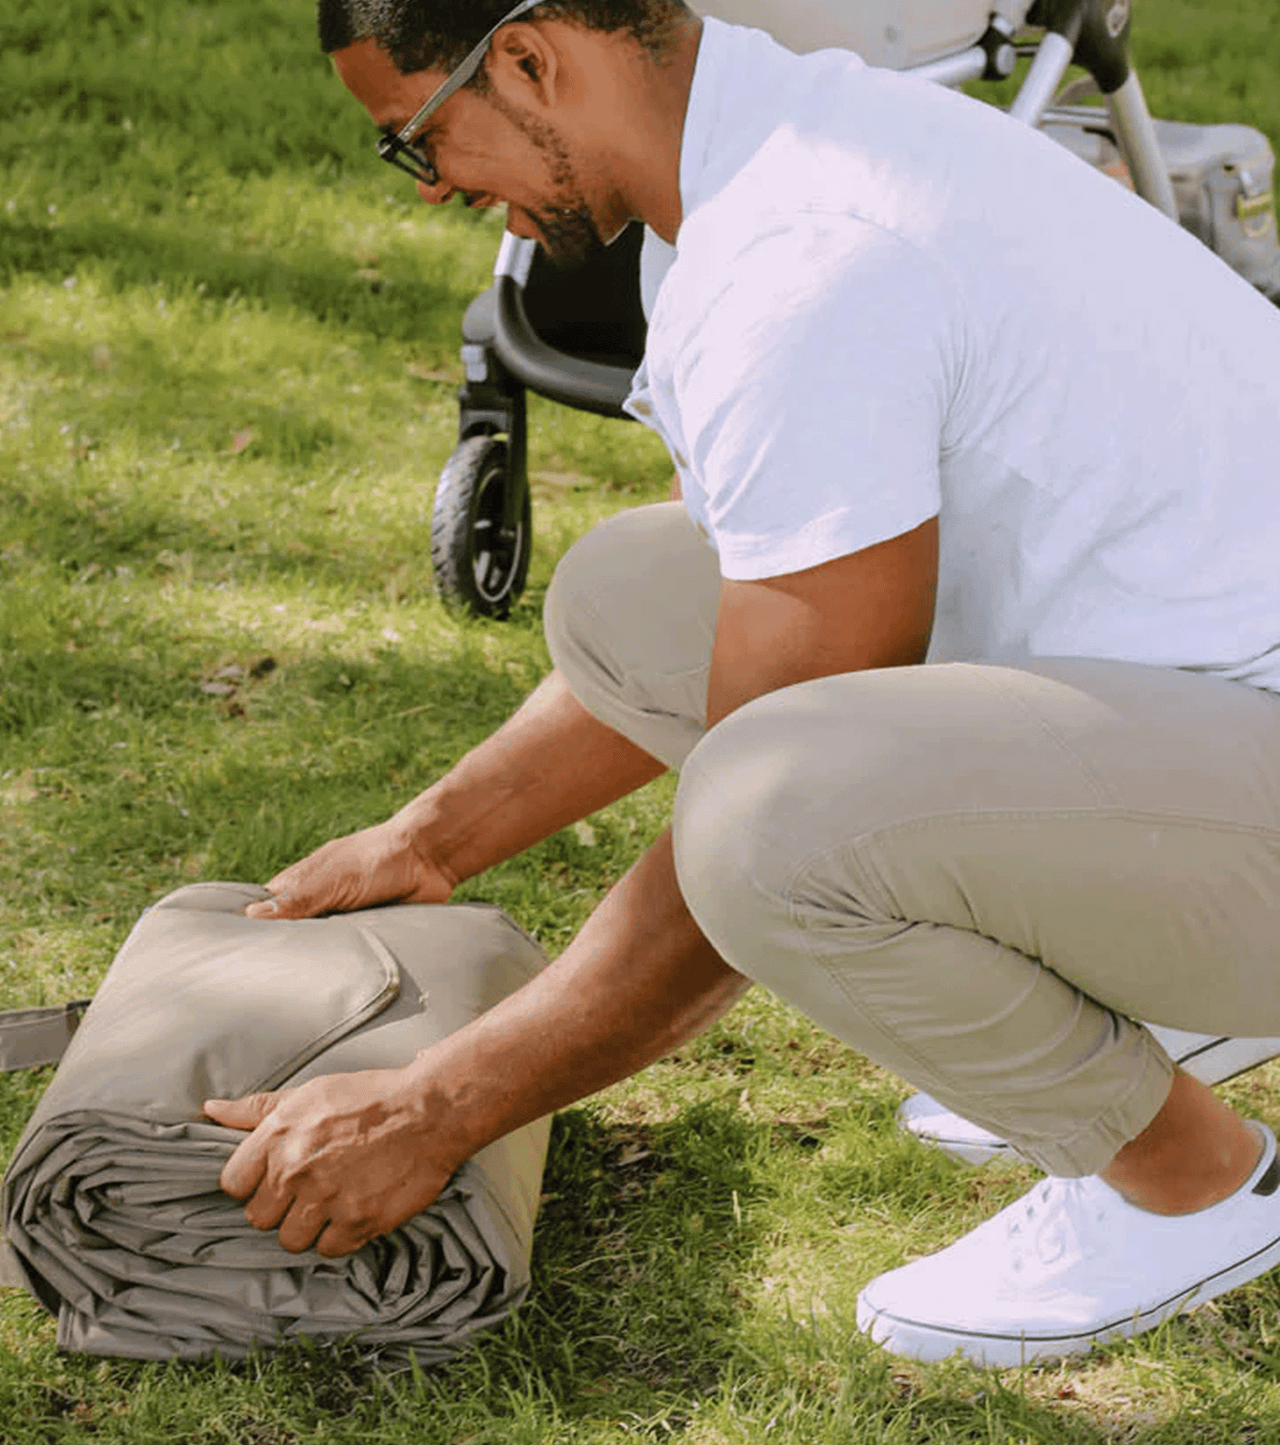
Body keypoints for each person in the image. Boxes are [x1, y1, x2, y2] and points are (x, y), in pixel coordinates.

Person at [202, 0, 1280, 1366]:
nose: (439, 187)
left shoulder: (799, 261)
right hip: (1209, 703)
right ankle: (1160, 983)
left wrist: (436, 1106)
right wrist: (432, 841)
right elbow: (763, 629)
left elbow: (762, 822)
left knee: (770, 828)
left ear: (531, 58)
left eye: (419, 142)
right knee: (638, 591)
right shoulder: (768, 159)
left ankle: (1194, 1184)